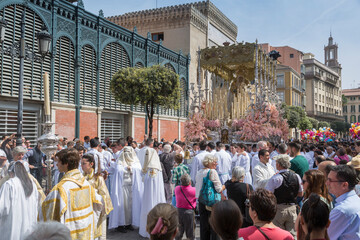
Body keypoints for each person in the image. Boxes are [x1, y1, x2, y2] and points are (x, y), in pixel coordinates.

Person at [39, 149, 103, 240]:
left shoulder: (61, 188)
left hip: (71, 232)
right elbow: (98, 204)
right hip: (85, 229)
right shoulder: (85, 183)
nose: (57, 164)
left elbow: (49, 213)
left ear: (66, 164)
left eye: (59, 162)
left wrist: (46, 197)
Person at [0, 162, 41, 240]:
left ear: (11, 172)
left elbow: (2, 207)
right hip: (29, 229)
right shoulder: (32, 185)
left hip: (12, 229)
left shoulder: (9, 184)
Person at [265, 154, 303, 238]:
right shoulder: (296, 176)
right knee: (293, 235)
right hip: (292, 208)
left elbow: (268, 194)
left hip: (279, 208)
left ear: (279, 164)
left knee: (278, 235)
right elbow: (301, 193)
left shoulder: (275, 178)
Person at [109, 146, 143, 232]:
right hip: (122, 188)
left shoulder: (136, 162)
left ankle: (129, 223)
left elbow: (138, 169)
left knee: (131, 206)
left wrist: (131, 168)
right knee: (122, 206)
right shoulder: (120, 162)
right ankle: (120, 224)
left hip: (132, 187)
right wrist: (126, 169)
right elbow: (118, 170)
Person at [81, 154, 113, 239]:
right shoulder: (82, 177)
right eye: (81, 163)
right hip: (86, 209)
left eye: (84, 163)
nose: (81, 166)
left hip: (97, 209)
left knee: (99, 232)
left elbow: (104, 195)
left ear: (91, 164)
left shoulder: (98, 178)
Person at [326, 165, 360, 239]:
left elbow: (326, 236)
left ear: (344, 185)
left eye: (330, 180)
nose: (327, 183)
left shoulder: (342, 210)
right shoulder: (355, 200)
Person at [139, 147, 166, 238]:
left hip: (151, 195)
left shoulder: (153, 169)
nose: (146, 157)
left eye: (147, 155)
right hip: (148, 195)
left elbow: (150, 183)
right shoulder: (151, 168)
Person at [195, 154, 223, 240]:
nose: (216, 164)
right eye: (215, 162)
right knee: (214, 226)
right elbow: (219, 189)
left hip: (202, 201)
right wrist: (225, 186)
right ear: (210, 162)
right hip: (212, 202)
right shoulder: (212, 172)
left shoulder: (199, 172)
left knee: (204, 227)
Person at [175, 174, 196, 240]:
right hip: (189, 212)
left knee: (179, 232)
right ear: (190, 182)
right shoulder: (194, 190)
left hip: (179, 211)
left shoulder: (177, 188)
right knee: (190, 233)